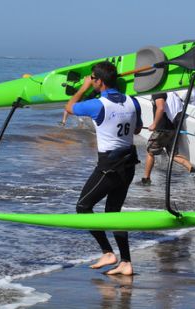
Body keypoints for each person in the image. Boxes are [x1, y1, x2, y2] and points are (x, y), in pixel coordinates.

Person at [65, 61, 142, 276]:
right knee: (113, 214)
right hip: (129, 165)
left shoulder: (97, 105)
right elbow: (137, 128)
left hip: (109, 167)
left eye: (93, 79)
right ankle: (126, 262)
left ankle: (108, 252)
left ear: (98, 81)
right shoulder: (132, 101)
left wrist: (82, 88)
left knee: (83, 207)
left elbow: (69, 107)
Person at [140, 92, 195, 185]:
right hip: (172, 129)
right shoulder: (173, 94)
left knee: (150, 152)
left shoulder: (158, 93)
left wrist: (154, 124)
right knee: (174, 155)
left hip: (162, 129)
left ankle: (146, 179)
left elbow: (161, 108)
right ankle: (193, 170)